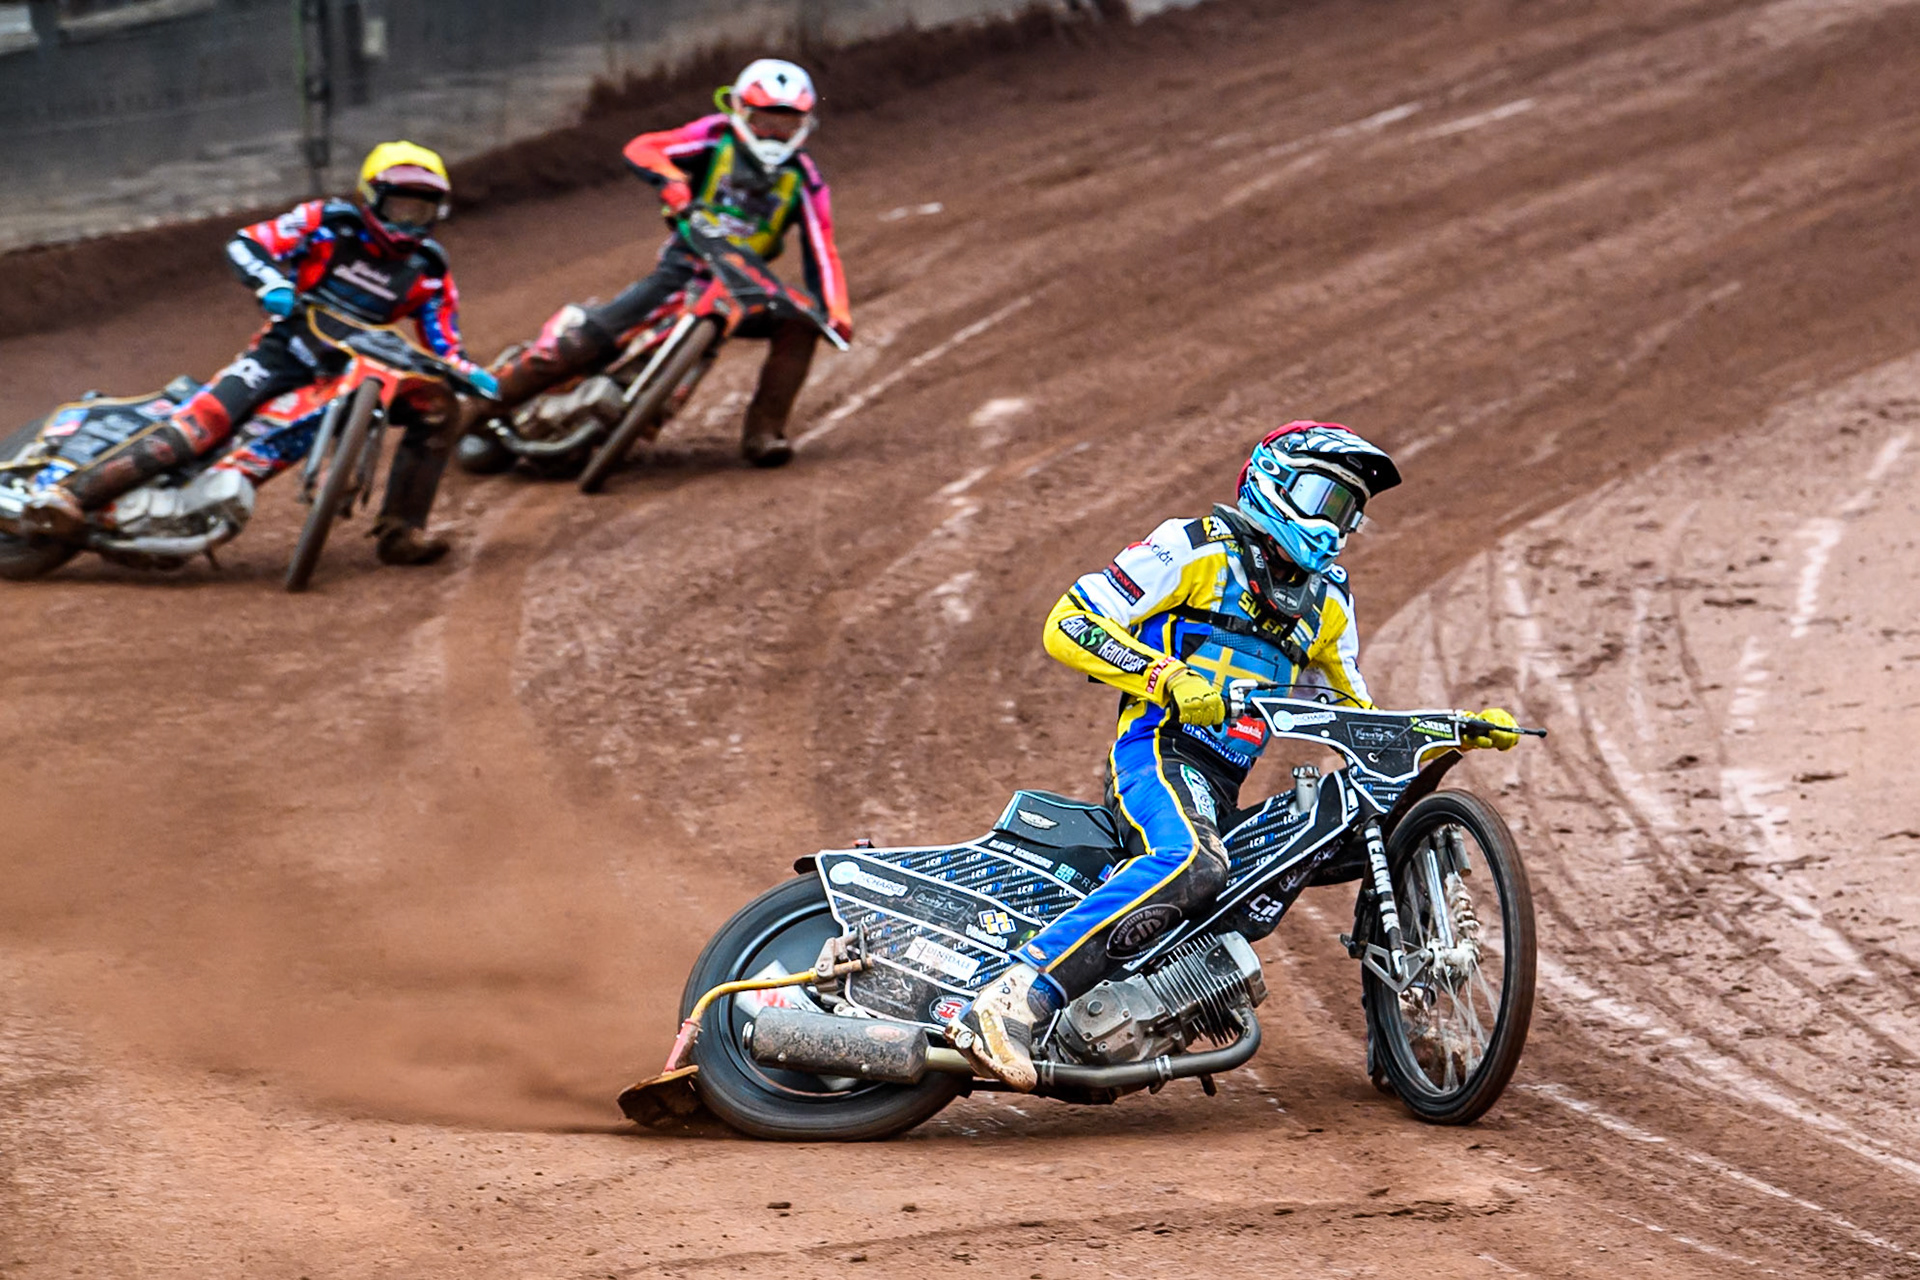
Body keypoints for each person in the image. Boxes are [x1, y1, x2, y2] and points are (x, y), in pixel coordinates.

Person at [954, 421, 1521, 1090]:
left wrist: (1438, 738)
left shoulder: (1328, 604)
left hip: (1223, 787)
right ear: (1274, 481)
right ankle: (1015, 999)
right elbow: (1070, 621)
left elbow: (1357, 718)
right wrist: (1166, 677)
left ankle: (1405, 1039)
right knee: (1193, 859)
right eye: (1324, 497)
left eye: (1350, 511)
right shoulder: (1193, 549)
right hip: (1158, 757)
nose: (1335, 525)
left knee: (1384, 822)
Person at [23, 141, 496, 565]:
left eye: (420, 211)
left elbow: (443, 337)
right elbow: (249, 242)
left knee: (437, 407)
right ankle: (69, 495)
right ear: (372, 198)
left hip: (351, 369)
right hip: (284, 350)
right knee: (203, 425)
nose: (407, 222)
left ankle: (401, 531)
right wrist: (271, 280)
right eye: (399, 207)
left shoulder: (427, 267)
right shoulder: (328, 222)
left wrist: (464, 370)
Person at [472, 57, 851, 467]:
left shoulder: (806, 179)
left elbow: (822, 247)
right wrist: (671, 180)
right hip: (684, 265)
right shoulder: (712, 137)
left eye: (787, 124)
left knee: (799, 322)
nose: (775, 133)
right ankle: (480, 411)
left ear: (806, 123)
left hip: (742, 283)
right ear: (740, 110)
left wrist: (835, 311)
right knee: (589, 340)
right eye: (765, 121)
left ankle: (765, 432)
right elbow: (644, 147)